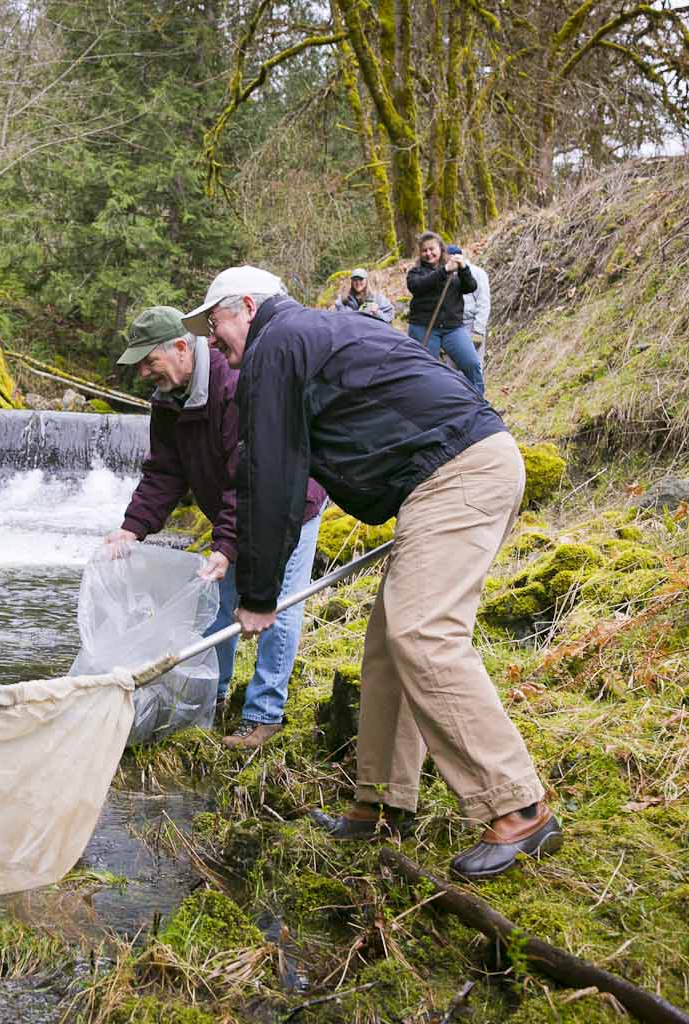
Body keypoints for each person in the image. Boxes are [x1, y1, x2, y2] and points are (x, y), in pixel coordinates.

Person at [181, 266, 561, 882]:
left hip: (458, 473)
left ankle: (518, 806)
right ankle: (381, 802)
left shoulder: (275, 348)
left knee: (423, 635)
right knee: (388, 649)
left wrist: (257, 595)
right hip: (450, 472)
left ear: (247, 307)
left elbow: (270, 479)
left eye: (214, 325)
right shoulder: (311, 334)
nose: (212, 341)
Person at [102, 305, 326, 750]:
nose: (145, 372)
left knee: (275, 608)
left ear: (182, 347)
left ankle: (263, 717)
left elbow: (249, 472)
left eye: (150, 361)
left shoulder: (235, 383)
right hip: (240, 505)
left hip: (286, 502)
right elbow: (164, 472)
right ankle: (214, 698)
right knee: (219, 608)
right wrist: (132, 529)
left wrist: (225, 544)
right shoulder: (168, 400)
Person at [406, 234, 484, 394]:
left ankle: (480, 405)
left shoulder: (454, 271)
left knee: (472, 364)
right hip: (424, 327)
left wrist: (463, 269)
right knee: (429, 373)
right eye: (424, 250)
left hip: (452, 328)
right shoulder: (416, 273)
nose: (428, 253)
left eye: (432, 249)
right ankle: (433, 410)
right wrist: (444, 270)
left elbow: (470, 287)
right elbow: (418, 286)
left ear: (440, 249)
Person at [462, 256, 490, 367]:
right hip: (452, 326)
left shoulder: (477, 273)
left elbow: (483, 303)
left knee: (474, 366)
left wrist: (478, 331)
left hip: (471, 324)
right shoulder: (445, 273)